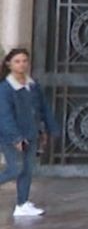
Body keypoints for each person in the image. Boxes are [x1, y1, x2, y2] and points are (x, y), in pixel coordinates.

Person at [0, 47, 60, 218]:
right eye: (17, 61)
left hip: (31, 133)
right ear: (9, 64)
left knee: (27, 169)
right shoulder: (5, 89)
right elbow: (4, 116)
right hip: (11, 137)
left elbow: (43, 108)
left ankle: (22, 203)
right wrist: (15, 137)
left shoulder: (32, 86)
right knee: (15, 169)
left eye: (25, 61)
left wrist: (49, 129)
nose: (22, 65)